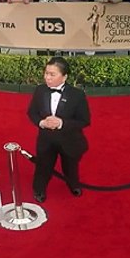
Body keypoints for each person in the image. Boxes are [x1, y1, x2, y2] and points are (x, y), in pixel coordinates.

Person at [28, 57, 91, 203]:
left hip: (69, 140)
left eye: (52, 74)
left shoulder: (77, 95)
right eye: (46, 73)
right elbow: (32, 112)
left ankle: (73, 184)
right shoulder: (40, 90)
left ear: (64, 76)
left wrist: (62, 123)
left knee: (70, 166)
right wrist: (42, 122)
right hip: (46, 139)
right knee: (43, 166)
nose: (47, 78)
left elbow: (84, 120)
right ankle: (39, 190)